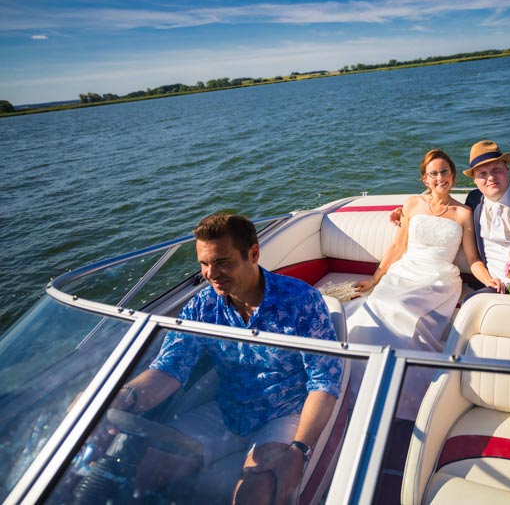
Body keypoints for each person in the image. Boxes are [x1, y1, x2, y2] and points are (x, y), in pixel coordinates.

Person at [112, 213, 342, 504]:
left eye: (222, 262)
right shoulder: (202, 306)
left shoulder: (302, 301)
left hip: (285, 411)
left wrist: (299, 449)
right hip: (227, 407)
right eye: (204, 263)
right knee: (148, 470)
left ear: (253, 254)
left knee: (256, 494)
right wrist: (124, 397)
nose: (210, 273)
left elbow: (324, 382)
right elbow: (170, 366)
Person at [347, 149, 501, 419]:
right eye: (434, 173)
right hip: (406, 269)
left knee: (400, 305)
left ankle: (397, 393)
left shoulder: (464, 213)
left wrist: (489, 279)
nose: (440, 177)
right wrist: (375, 277)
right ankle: (364, 385)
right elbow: (398, 246)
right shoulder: (412, 204)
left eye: (444, 171)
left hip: (438, 276)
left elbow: (473, 258)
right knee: (378, 303)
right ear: (425, 179)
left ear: (452, 175)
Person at [392, 140, 510, 301]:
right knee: (469, 308)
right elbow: (441, 214)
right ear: (474, 179)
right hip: (495, 287)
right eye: (482, 174)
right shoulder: (473, 202)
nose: (490, 178)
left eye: (496, 170)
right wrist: (404, 213)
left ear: (507, 168)